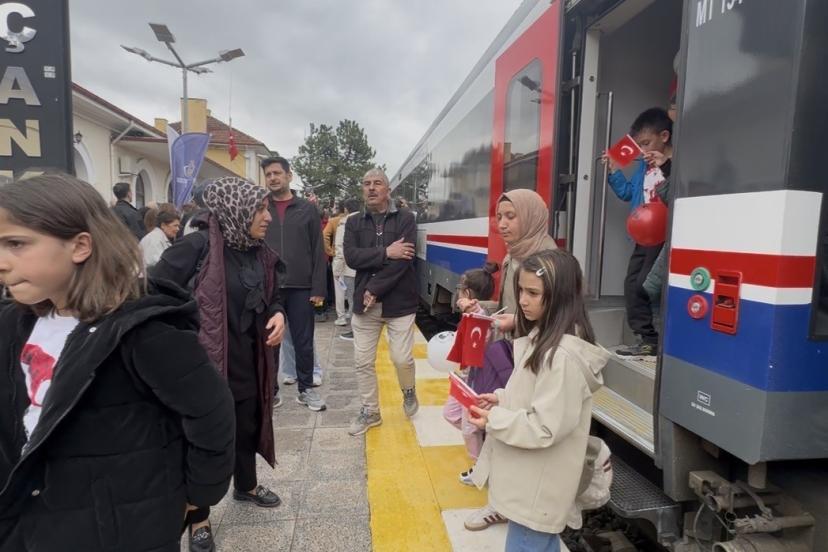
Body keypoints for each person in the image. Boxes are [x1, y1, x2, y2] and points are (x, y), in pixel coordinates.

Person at [0, 174, 235, 552]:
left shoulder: (142, 329)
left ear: (80, 246)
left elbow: (211, 413)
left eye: (16, 244)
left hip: (123, 528)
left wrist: (197, 495)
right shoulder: (13, 323)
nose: (2, 261)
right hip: (29, 525)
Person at [152, 176, 287, 552]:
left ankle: (246, 485)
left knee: (247, 423)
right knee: (203, 440)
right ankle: (199, 516)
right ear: (236, 209)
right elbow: (154, 294)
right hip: (205, 364)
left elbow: (273, 295)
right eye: (260, 209)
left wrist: (278, 314)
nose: (268, 217)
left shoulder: (258, 250)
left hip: (250, 358)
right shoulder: (196, 247)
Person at [469, 249, 609, 552]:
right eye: (521, 290)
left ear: (560, 297)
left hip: (535, 491)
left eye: (533, 293)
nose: (522, 300)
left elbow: (544, 427)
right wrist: (500, 399)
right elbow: (536, 398)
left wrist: (494, 419)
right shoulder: (547, 340)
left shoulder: (560, 357)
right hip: (534, 484)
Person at [463, 188, 557, 532]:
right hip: (514, 352)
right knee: (500, 419)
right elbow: (511, 306)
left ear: (530, 217)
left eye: (510, 216)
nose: (501, 224)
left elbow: (556, 314)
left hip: (535, 357)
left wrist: (514, 322)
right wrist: (484, 308)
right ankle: (503, 498)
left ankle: (508, 504)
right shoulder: (515, 254)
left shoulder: (548, 260)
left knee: (512, 427)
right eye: (499, 216)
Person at [344, 168, 419, 436]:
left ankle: (408, 390)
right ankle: (371, 411)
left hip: (399, 303)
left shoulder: (406, 218)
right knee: (362, 362)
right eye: (366, 183)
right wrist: (387, 251)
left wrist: (374, 288)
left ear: (388, 189)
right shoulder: (353, 222)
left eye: (377, 183)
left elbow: (404, 260)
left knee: (401, 358)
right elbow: (352, 257)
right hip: (365, 306)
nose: (371, 188)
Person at [603, 107, 673, 357]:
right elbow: (626, 193)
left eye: (646, 143)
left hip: (664, 237)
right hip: (643, 236)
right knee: (632, 282)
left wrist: (666, 167)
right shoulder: (643, 167)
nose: (642, 150)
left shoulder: (675, 163)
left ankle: (656, 337)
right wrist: (614, 170)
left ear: (664, 136)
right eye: (639, 145)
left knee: (647, 283)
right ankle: (645, 337)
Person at [261, 157, 327, 412]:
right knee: (270, 341)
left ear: (289, 176)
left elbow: (317, 249)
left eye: (277, 173)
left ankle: (306, 388)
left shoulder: (307, 209)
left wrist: (318, 288)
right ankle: (270, 392)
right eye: (268, 174)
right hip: (269, 286)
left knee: (303, 341)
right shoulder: (260, 206)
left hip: (301, 286)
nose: (273, 178)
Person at [443, 264, 497, 483]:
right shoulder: (470, 316)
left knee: (469, 428)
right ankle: (486, 448)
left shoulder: (479, 318)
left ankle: (481, 468)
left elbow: (481, 330)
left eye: (459, 290)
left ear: (467, 293)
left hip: (476, 382)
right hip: (466, 378)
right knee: (451, 414)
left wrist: (475, 312)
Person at [332, 199, 360, 331]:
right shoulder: (367, 220)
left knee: (342, 292)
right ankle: (356, 318)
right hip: (363, 265)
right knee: (357, 294)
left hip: (347, 265)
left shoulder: (344, 222)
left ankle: (342, 317)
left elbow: (340, 248)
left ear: (346, 209)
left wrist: (336, 270)